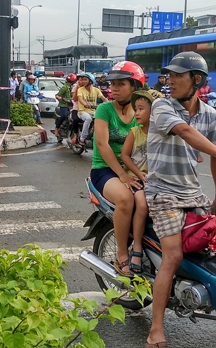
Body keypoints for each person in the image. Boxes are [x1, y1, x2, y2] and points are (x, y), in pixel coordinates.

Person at [143, 52, 216, 347]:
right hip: (162, 193)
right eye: (170, 75)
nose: (171, 80)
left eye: (179, 75)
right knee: (174, 256)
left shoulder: (210, 114)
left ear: (197, 80)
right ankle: (156, 330)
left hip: (192, 192)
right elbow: (186, 132)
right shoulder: (162, 105)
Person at [89, 61, 143, 277]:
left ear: (135, 87)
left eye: (121, 84)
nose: (114, 88)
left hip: (133, 169)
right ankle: (122, 256)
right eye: (113, 84)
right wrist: (122, 175)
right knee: (125, 199)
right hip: (105, 170)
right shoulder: (104, 109)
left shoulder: (142, 111)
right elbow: (102, 144)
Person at [119, 89, 163, 274]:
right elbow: (125, 155)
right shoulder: (134, 132)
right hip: (137, 179)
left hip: (156, 181)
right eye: (136, 109)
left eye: (141, 109)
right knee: (142, 206)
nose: (136, 113)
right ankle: (137, 248)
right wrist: (137, 173)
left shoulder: (161, 134)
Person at [76, 73, 106, 144]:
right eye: (82, 80)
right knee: (88, 118)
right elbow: (80, 99)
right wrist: (85, 104)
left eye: (85, 79)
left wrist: (110, 104)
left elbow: (103, 98)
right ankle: (82, 139)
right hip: (82, 111)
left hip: (93, 111)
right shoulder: (80, 89)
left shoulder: (96, 90)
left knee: (103, 119)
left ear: (91, 81)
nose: (83, 81)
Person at [53, 73, 76, 138]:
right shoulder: (64, 87)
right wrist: (59, 97)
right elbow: (57, 95)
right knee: (63, 116)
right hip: (64, 105)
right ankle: (57, 128)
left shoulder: (73, 87)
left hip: (72, 105)